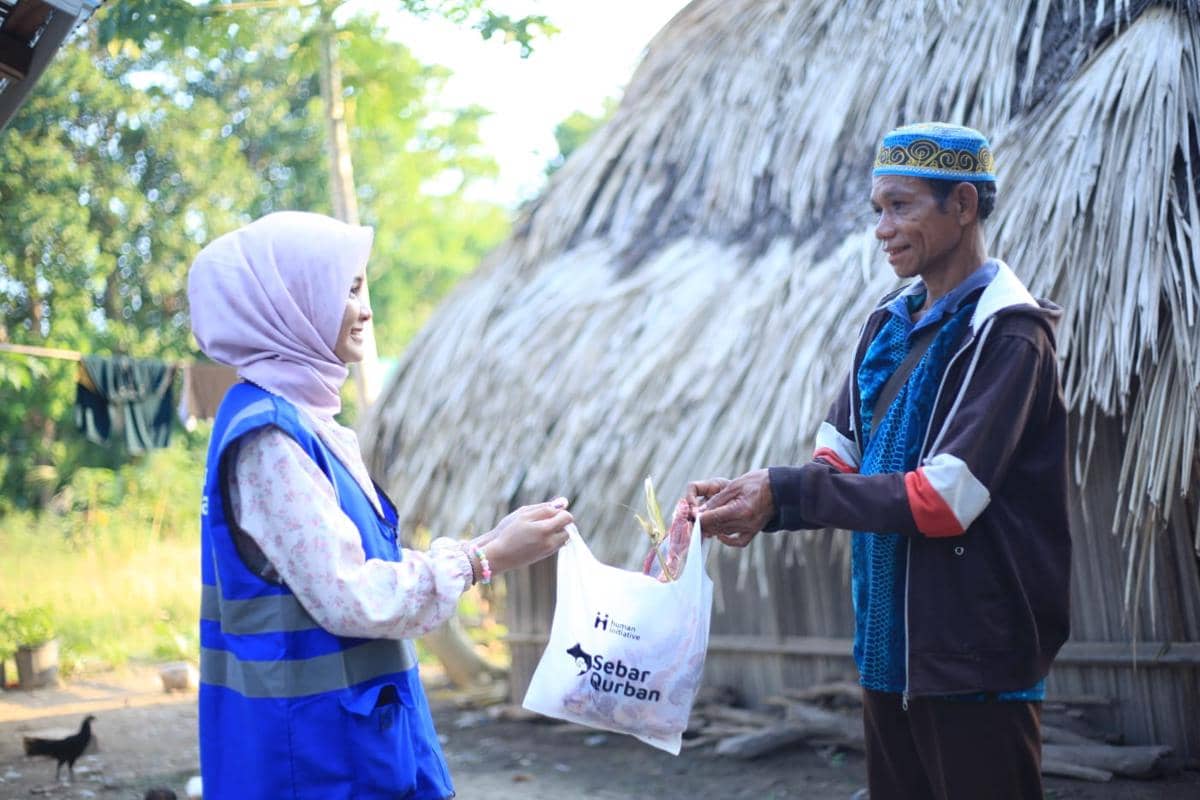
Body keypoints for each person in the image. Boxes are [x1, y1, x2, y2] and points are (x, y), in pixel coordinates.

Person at [688, 123, 1071, 800]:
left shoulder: (1010, 336)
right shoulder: (887, 324)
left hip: (973, 658)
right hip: (890, 652)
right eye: (878, 211)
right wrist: (755, 499)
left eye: (902, 206)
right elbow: (836, 467)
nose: (882, 228)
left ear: (964, 206)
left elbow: (944, 502)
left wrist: (784, 492)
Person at [188, 211, 573, 800]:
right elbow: (353, 596)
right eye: (344, 289)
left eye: (360, 286)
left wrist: (484, 543)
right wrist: (483, 558)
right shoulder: (271, 439)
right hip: (313, 761)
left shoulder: (303, 421)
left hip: (347, 740)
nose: (364, 308)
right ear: (288, 302)